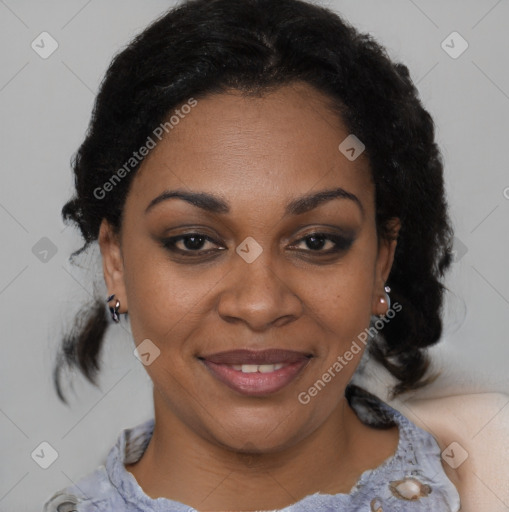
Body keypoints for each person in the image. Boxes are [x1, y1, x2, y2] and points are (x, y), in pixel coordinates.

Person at [43, 0, 479, 510]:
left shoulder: (491, 476)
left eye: (316, 241)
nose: (259, 304)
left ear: (382, 259)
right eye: (193, 241)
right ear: (115, 262)